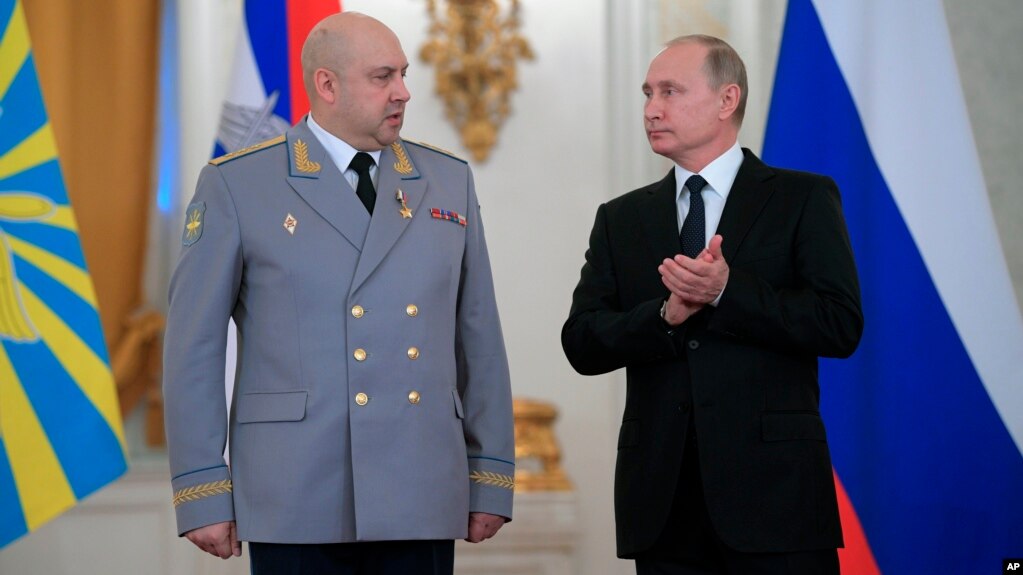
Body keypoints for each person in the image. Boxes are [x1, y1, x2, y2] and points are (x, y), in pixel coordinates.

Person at [163, 12, 514, 575]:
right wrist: (201, 486)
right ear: (327, 85)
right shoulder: (238, 184)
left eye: (402, 74)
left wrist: (491, 474)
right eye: (383, 77)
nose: (403, 92)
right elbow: (193, 349)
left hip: (419, 482)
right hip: (295, 488)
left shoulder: (448, 180)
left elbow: (479, 337)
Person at [562, 35, 863, 574]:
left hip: (778, 505)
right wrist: (664, 317)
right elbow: (582, 341)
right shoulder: (622, 218)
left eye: (670, 92)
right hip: (663, 508)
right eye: (647, 94)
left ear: (727, 100)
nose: (652, 109)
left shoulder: (802, 198)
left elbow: (838, 324)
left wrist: (727, 292)